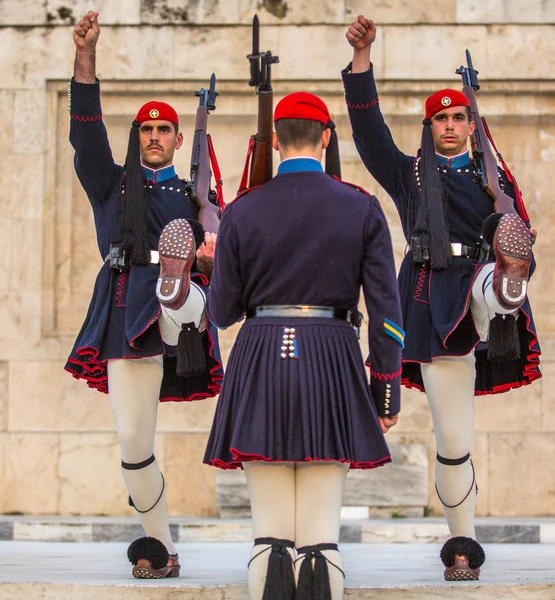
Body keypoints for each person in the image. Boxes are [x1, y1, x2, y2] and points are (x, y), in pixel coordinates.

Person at [342, 15, 541, 581]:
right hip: (433, 299)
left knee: (497, 267)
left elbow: (526, 238)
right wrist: (362, 62)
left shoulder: (494, 180)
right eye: (440, 119)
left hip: (481, 284)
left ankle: (503, 287)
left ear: (472, 125)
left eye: (459, 118)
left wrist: (514, 253)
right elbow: (367, 132)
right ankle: (462, 544)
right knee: (453, 438)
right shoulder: (410, 177)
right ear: (429, 127)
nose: (450, 126)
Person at [203, 92, 404, 600]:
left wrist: (211, 266)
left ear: (274, 140)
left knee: (270, 539)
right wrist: (385, 392)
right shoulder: (361, 206)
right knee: (320, 541)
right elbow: (386, 313)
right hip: (332, 355)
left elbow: (223, 313)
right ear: (326, 138)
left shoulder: (244, 210)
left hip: (260, 355)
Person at [65, 11, 223, 578]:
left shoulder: (195, 196)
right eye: (145, 130)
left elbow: (228, 246)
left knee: (193, 284)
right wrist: (86, 59)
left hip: (180, 313)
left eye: (164, 130)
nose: (154, 137)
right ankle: (159, 542)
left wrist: (211, 250)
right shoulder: (112, 185)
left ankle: (179, 286)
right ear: (138, 137)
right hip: (126, 305)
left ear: (181, 140)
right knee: (134, 440)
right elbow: (85, 135)